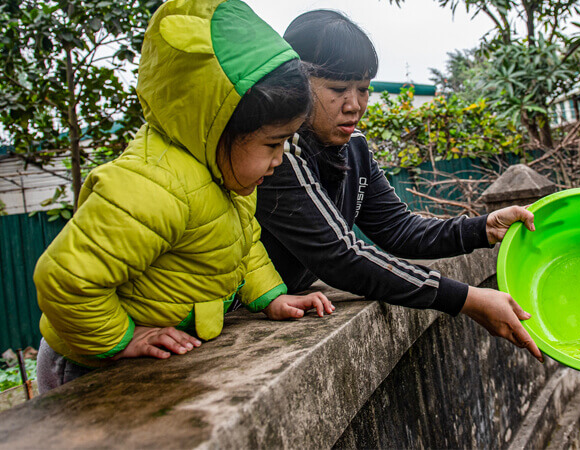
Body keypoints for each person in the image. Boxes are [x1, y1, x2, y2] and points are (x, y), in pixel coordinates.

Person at [34, 0, 333, 394]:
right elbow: (65, 280)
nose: (279, 159)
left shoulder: (224, 174)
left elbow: (241, 246)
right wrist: (121, 338)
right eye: (272, 144)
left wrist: (271, 296)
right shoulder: (152, 185)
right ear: (215, 124)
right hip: (86, 362)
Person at [255, 10, 542, 361]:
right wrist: (467, 299)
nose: (354, 105)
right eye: (338, 89)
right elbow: (341, 257)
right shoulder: (277, 152)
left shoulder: (353, 146)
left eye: (363, 89)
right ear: (295, 85)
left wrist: (481, 228)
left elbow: (397, 228)